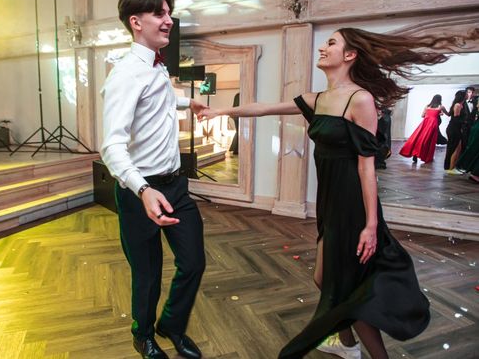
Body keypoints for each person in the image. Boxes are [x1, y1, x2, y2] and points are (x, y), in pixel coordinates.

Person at [197, 27, 469, 358]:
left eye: (331, 43)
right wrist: (220, 111)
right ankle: (347, 343)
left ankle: (362, 350)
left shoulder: (360, 100)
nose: (323, 48)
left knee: (344, 287)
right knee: (325, 279)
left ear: (350, 55)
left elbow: (366, 168)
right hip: (329, 202)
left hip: (352, 206)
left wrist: (371, 225)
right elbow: (264, 107)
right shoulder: (318, 99)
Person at [100, 0, 206, 359]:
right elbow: (111, 147)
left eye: (168, 13)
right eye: (160, 14)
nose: (168, 21)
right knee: (147, 274)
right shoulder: (125, 74)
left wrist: (187, 101)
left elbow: (158, 97)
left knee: (193, 262)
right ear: (136, 22)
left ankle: (171, 325)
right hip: (139, 194)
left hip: (175, 187)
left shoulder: (155, 67)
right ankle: (142, 334)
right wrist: (143, 190)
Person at [399, 94, 449, 163]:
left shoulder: (427, 106)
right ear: (440, 100)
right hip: (433, 124)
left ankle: (415, 153)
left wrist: (429, 114)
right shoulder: (441, 107)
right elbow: (448, 114)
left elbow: (422, 115)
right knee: (429, 141)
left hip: (424, 123)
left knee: (418, 138)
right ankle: (425, 155)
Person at [443, 90, 467, 174]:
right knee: (453, 148)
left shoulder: (461, 105)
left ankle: (452, 167)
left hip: (456, 128)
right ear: (462, 96)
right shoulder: (457, 105)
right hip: (453, 129)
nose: (467, 95)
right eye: (466, 94)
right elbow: (456, 119)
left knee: (458, 148)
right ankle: (450, 168)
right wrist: (465, 122)